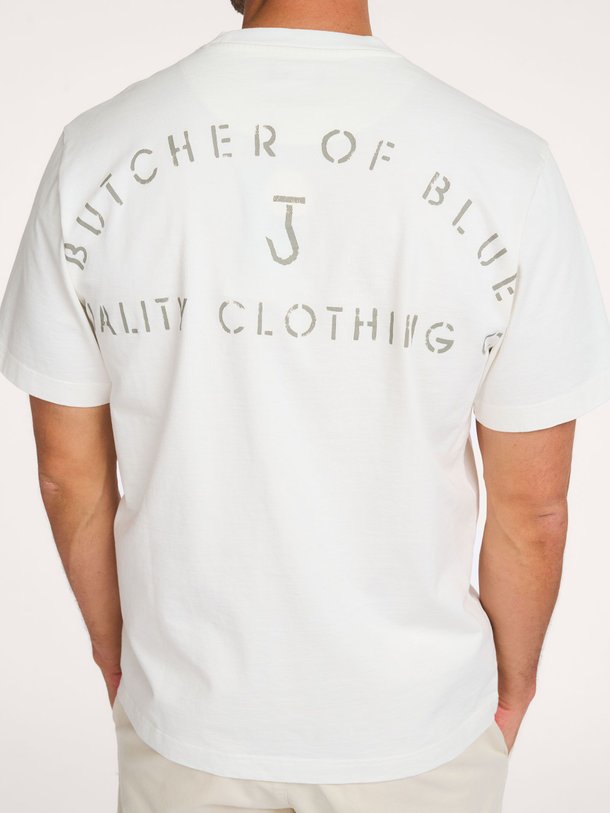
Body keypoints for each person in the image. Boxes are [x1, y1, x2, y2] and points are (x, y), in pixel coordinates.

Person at [2, 0, 610, 811]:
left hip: (187, 719)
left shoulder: (96, 152)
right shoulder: (508, 168)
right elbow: (534, 508)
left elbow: (66, 476)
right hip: (416, 729)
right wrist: (515, 687)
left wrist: (120, 661)